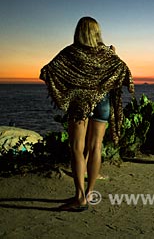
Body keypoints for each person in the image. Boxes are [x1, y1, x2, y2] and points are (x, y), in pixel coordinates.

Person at [40, 16, 134, 211]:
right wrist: (113, 57)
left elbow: (47, 71)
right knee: (96, 147)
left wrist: (70, 88)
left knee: (76, 147)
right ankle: (90, 193)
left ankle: (79, 196)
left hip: (79, 105)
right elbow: (124, 72)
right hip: (103, 103)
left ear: (78, 32)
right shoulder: (107, 55)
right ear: (97, 32)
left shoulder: (70, 53)